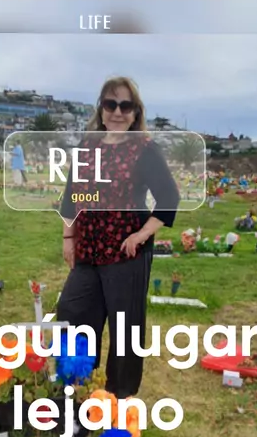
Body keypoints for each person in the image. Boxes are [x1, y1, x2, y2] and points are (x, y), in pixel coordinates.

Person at [56, 76, 179, 399]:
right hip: (89, 249)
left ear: (136, 112)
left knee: (125, 329)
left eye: (126, 106)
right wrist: (69, 237)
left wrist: (142, 233)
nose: (118, 112)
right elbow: (72, 196)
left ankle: (118, 398)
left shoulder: (145, 149)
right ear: (101, 108)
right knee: (72, 311)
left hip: (126, 252)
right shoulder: (87, 146)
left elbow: (169, 197)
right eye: (111, 104)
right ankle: (78, 387)